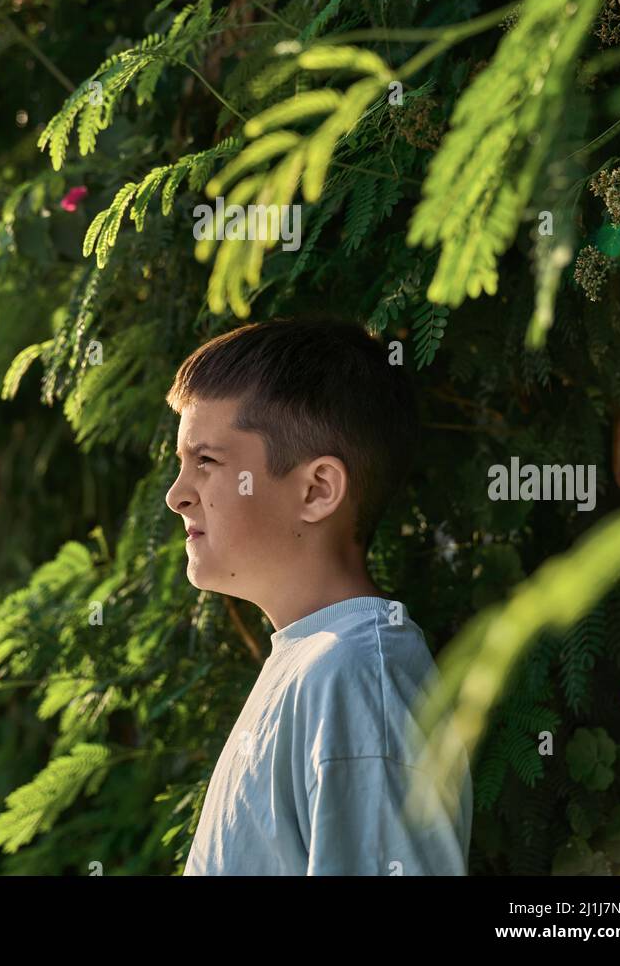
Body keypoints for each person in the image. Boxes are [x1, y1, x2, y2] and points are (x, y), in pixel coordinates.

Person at [164, 316, 472, 876]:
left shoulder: (353, 677)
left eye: (206, 462)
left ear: (317, 490)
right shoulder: (318, 665)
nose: (177, 495)